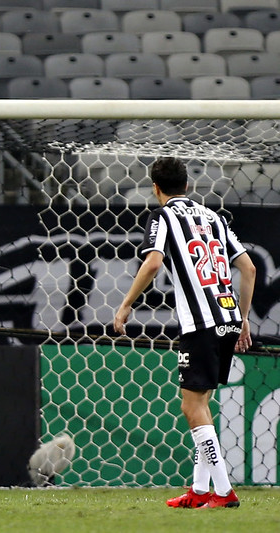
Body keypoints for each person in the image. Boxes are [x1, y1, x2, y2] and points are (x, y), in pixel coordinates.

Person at [113, 157, 256, 509]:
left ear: (156, 188)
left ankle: (223, 492)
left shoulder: (163, 216)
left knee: (191, 405)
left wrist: (126, 304)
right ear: (188, 186)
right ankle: (199, 490)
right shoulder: (215, 218)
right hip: (227, 317)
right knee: (202, 403)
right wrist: (244, 317)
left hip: (201, 321)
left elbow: (153, 261)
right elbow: (249, 267)